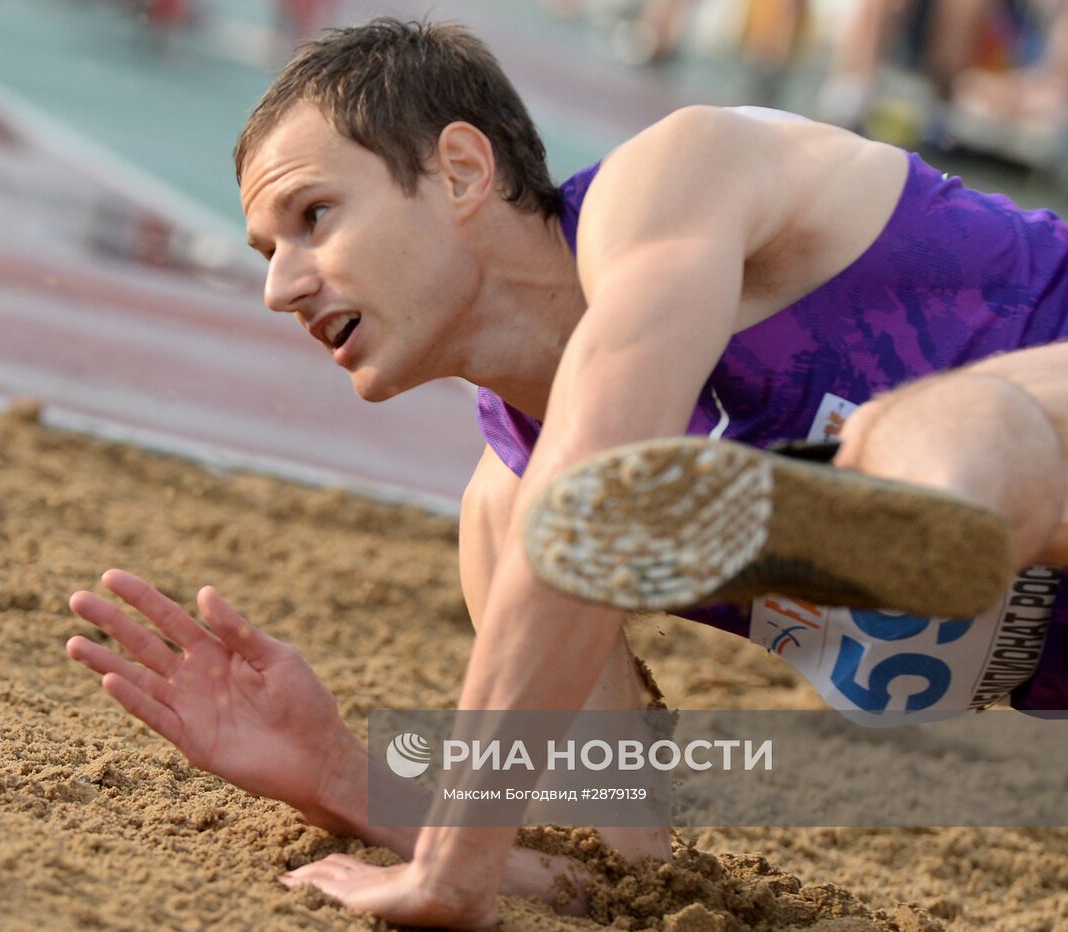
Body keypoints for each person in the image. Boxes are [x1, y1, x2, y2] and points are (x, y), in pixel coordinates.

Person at [66, 18, 1068, 928]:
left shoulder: (675, 179)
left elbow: (595, 463)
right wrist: (342, 777)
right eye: (266, 249)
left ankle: (895, 514)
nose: (280, 285)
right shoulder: (509, 513)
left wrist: (451, 873)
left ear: (460, 169)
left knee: (949, 424)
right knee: (556, 520)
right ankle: (858, 517)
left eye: (312, 216)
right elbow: (623, 880)